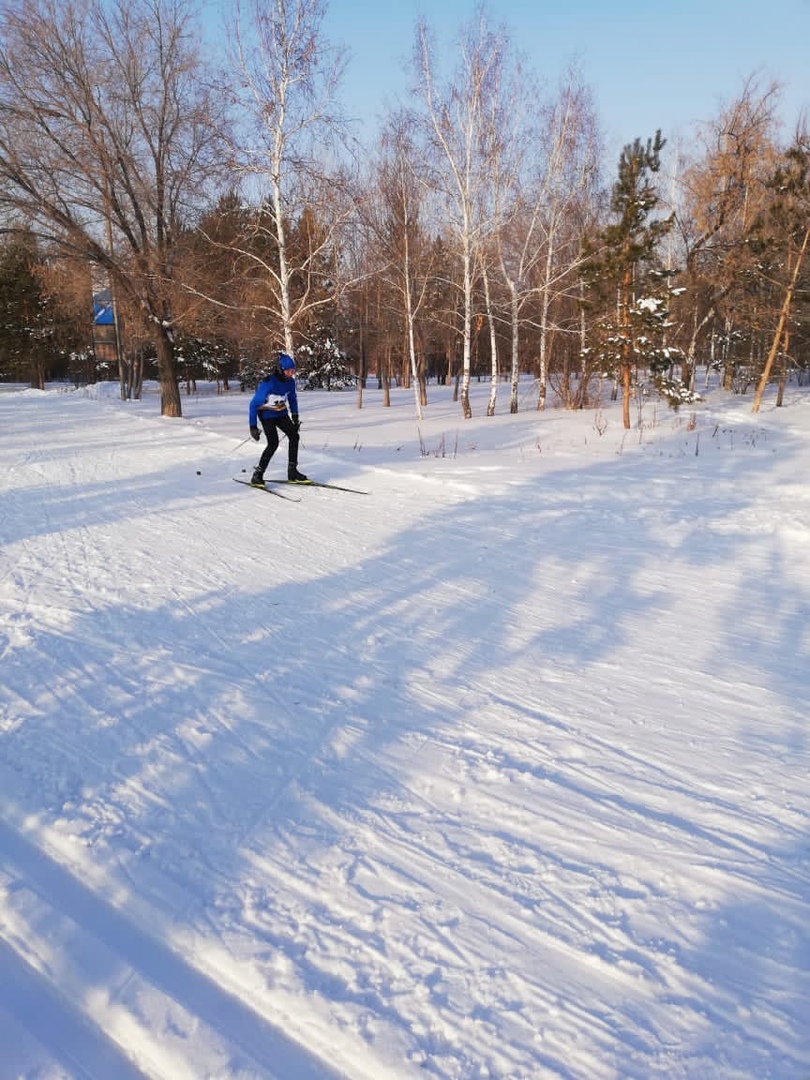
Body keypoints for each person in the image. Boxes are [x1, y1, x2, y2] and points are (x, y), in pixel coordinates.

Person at [248, 353, 309, 484]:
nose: (291, 373)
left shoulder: (290, 382)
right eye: (288, 371)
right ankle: (257, 475)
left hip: (281, 413)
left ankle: (292, 471)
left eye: (293, 371)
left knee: (294, 436)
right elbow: (253, 405)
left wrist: (295, 416)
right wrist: (253, 426)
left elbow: (292, 398)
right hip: (266, 415)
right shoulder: (268, 383)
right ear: (281, 369)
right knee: (273, 443)